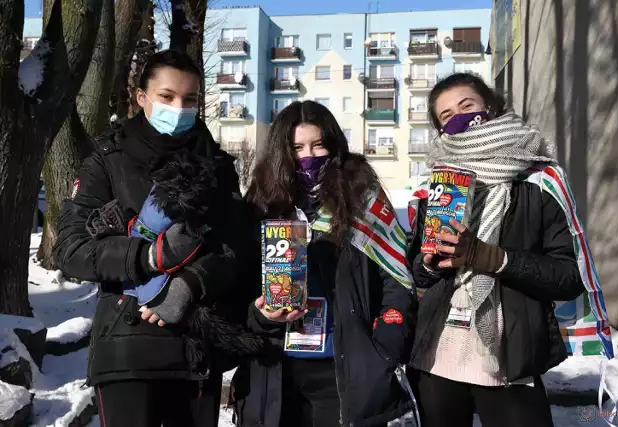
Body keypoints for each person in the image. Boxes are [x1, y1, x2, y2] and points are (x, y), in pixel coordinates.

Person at [54, 50, 260, 427]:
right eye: (166, 97)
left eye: (190, 99)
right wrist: (149, 257)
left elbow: (237, 247)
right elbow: (71, 248)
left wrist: (188, 285)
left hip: (197, 346)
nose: (179, 108)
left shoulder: (217, 164)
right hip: (126, 345)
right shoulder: (107, 160)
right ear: (141, 97)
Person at [406, 72, 599, 427]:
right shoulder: (435, 184)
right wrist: (431, 264)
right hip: (436, 355)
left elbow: (569, 277)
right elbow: (415, 270)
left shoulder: (539, 181)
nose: (460, 118)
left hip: (508, 358)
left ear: (491, 107)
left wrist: (490, 257)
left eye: (467, 106)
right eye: (447, 116)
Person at [231, 100, 418, 427]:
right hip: (277, 370)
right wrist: (261, 317)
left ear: (333, 145)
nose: (309, 156)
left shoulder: (363, 198)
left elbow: (396, 276)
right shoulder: (262, 204)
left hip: (344, 370)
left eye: (318, 145)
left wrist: (386, 344)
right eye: (297, 147)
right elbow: (238, 286)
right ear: (281, 152)